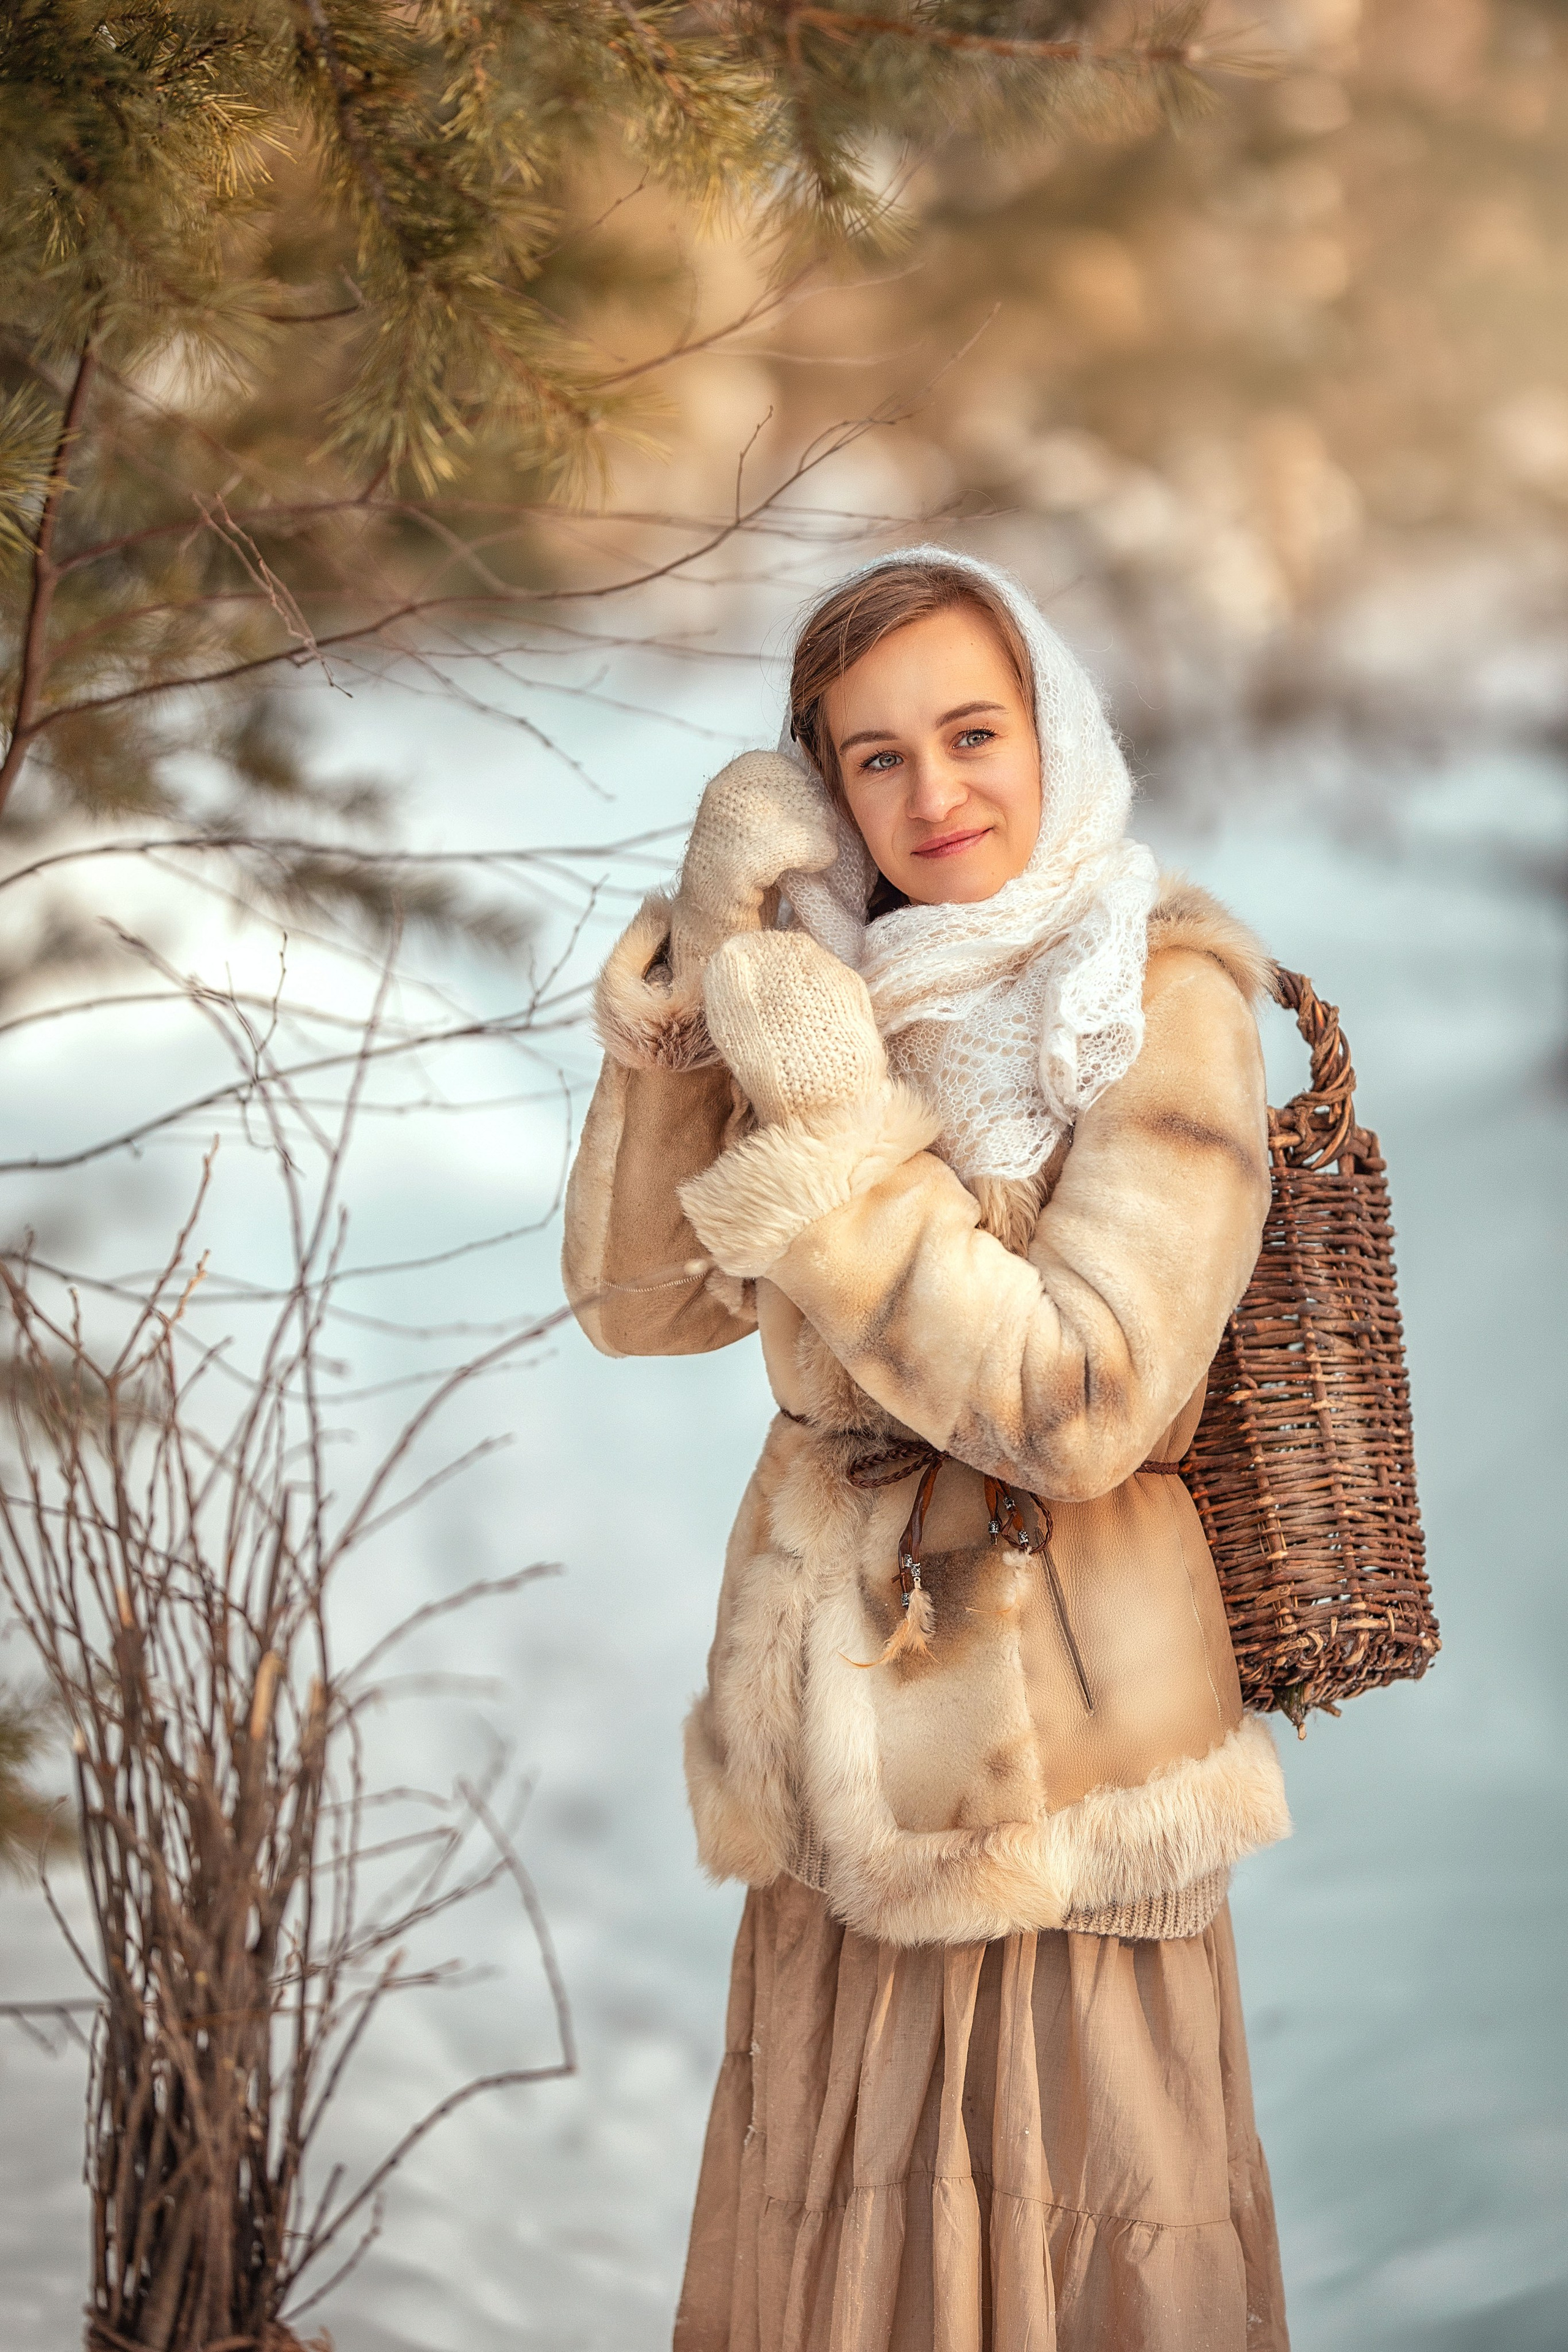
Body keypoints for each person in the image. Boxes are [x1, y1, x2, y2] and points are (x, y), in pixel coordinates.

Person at [562, 548, 1292, 2351]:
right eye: (872, 756)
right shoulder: (826, 981)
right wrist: (709, 972)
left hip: (1061, 1773)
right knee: (847, 2254)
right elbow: (638, 1304)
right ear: (820, 788)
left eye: (974, 734)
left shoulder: (1160, 992)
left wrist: (836, 1134)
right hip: (841, 1755)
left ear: (1054, 730)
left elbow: (1084, 1402)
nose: (933, 793)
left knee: (1077, 2230)